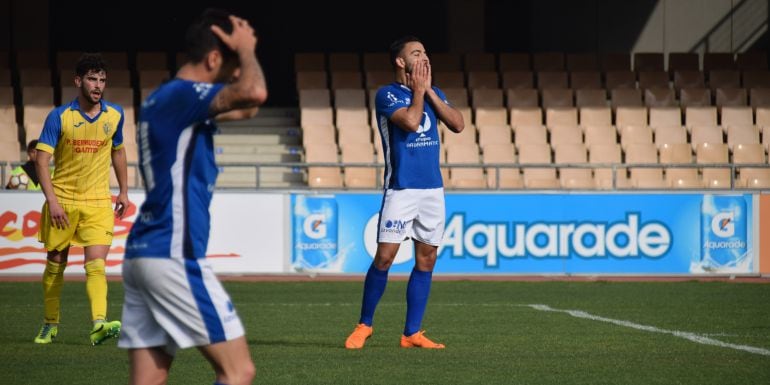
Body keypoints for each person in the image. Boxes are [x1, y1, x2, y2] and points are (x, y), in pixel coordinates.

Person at [118, 9, 267, 385]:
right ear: (213, 58)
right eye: (230, 65)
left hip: (143, 254)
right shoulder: (181, 97)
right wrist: (247, 50)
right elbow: (254, 92)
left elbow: (246, 107)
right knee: (238, 370)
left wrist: (244, 58)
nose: (235, 74)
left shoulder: (168, 100)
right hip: (171, 253)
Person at [344, 36, 464, 350]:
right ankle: (364, 325)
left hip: (432, 191)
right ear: (400, 62)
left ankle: (412, 333)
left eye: (425, 50)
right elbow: (411, 122)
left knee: (427, 261)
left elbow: (458, 124)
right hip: (402, 189)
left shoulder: (435, 93)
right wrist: (420, 92)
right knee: (384, 258)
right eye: (415, 52)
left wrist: (429, 92)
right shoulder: (387, 95)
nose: (423, 56)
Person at [33, 53, 130, 345]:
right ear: (78, 81)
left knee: (96, 264)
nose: (97, 85)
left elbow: (118, 150)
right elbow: (41, 161)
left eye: (101, 79)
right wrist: (52, 201)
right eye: (91, 78)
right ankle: (50, 323)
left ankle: (99, 323)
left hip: (99, 201)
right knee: (55, 262)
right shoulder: (60, 116)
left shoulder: (115, 115)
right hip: (62, 199)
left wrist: (124, 190)